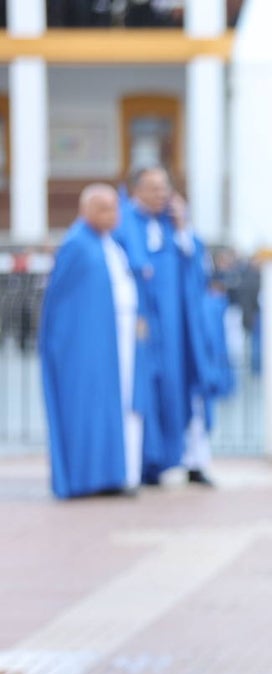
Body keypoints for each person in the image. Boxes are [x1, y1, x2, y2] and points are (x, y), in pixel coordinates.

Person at [40, 184, 146, 498]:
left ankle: (113, 474)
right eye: (104, 208)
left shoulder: (110, 244)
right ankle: (85, 479)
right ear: (86, 210)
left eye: (115, 208)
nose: (113, 215)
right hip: (88, 347)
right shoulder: (77, 244)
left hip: (117, 342)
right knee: (87, 409)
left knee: (118, 407)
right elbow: (61, 305)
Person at [115, 166, 212, 486]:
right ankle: (145, 464)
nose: (160, 195)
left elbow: (195, 266)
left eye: (164, 188)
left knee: (182, 387)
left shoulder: (173, 224)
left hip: (176, 328)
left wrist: (183, 227)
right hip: (142, 327)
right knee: (144, 391)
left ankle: (188, 459)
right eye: (152, 188)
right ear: (135, 191)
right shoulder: (123, 223)